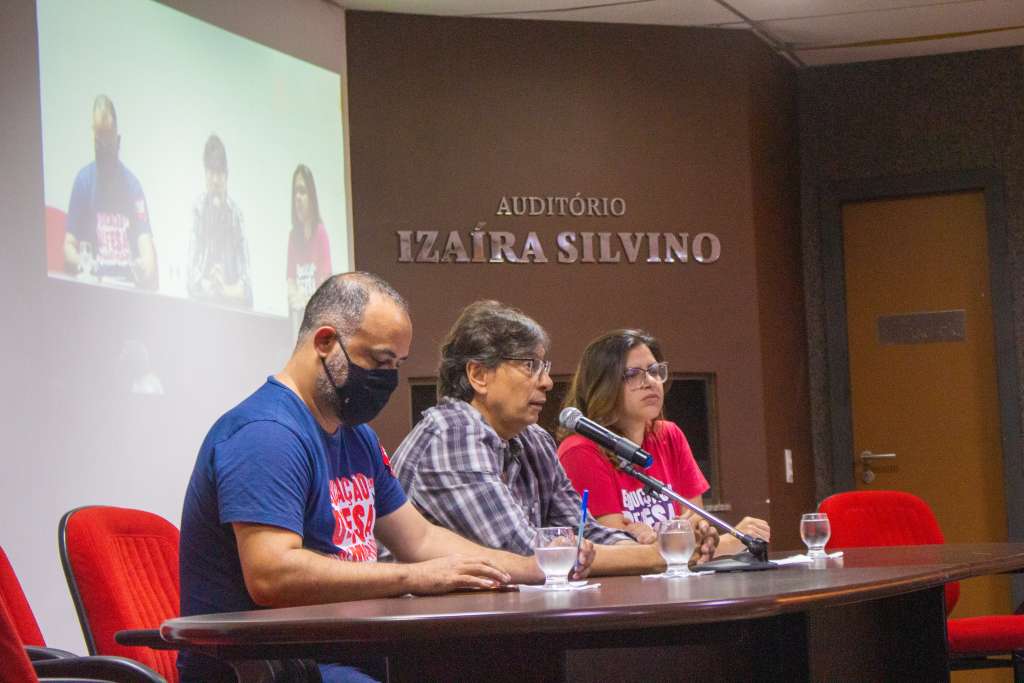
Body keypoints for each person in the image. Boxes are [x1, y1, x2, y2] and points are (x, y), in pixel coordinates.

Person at [178, 274, 553, 683]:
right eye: (379, 361)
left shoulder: (357, 437)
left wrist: (531, 568)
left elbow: (420, 539)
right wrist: (416, 577)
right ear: (325, 342)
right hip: (274, 666)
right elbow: (273, 574)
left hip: (344, 652)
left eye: (397, 364)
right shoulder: (265, 434)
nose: (388, 377)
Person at [390, 301, 718, 574]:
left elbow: (584, 530)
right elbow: (525, 553)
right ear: (479, 375)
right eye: (530, 366)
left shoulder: (533, 439)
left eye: (544, 367)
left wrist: (645, 543)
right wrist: (663, 554)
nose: (547, 382)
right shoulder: (453, 435)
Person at [557, 329, 770, 556]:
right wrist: (732, 542)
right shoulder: (580, 450)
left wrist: (684, 537)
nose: (650, 382)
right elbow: (619, 550)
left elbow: (697, 525)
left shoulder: (669, 435)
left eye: (654, 371)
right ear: (602, 385)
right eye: (632, 374)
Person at [64, 95, 158, 289]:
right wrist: (83, 262)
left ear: (118, 140)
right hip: (93, 289)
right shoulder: (83, 182)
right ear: (93, 139)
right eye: (99, 138)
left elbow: (148, 254)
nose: (104, 146)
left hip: (127, 291)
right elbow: (68, 246)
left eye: (108, 137)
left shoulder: (133, 187)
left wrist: (143, 267)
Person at [186, 134, 252, 308]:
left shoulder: (236, 215)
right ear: (205, 174)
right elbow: (190, 277)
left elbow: (247, 286)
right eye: (211, 173)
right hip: (201, 309)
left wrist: (224, 290)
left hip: (232, 310)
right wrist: (210, 286)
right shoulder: (198, 210)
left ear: (226, 175)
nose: (215, 180)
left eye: (219, 173)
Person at [288, 165, 332, 329]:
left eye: (302, 191)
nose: (298, 198)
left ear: (312, 197)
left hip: (318, 321)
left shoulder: (321, 233)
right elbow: (290, 280)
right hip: (298, 320)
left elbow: (325, 285)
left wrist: (305, 301)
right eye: (295, 192)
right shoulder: (293, 236)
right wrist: (295, 296)